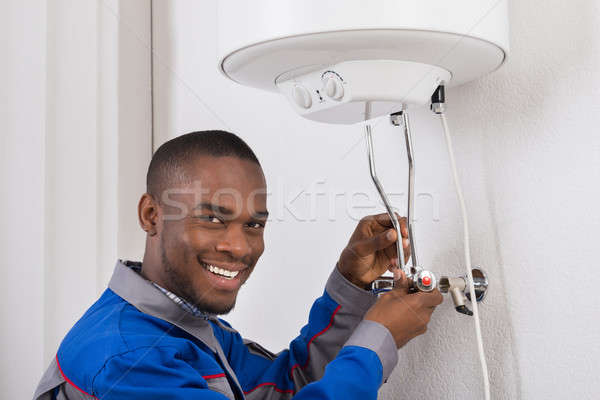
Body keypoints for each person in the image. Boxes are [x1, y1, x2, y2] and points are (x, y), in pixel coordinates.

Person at [33, 130, 443, 400]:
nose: (238, 246)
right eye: (212, 218)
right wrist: (378, 337)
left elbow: (288, 385)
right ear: (152, 216)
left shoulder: (186, 326)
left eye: (253, 224)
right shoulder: (129, 357)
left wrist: (351, 285)